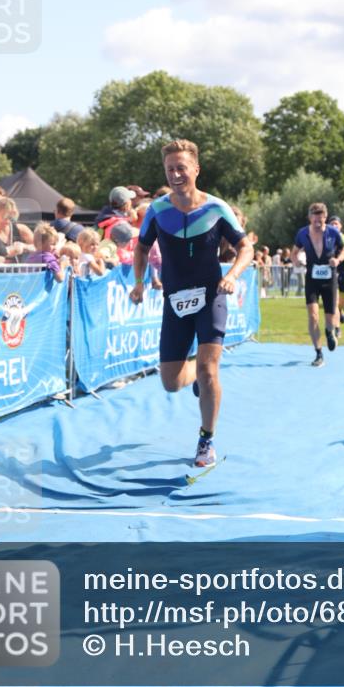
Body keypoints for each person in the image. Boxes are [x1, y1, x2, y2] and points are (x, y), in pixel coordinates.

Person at [130, 139, 253, 468]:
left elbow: (246, 247)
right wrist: (139, 282)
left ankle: (206, 439)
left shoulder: (216, 208)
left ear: (196, 169)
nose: (175, 174)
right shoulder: (157, 211)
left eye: (181, 168)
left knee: (209, 369)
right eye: (169, 169)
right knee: (170, 383)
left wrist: (233, 276)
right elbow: (141, 248)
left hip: (212, 296)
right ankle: (196, 376)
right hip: (175, 301)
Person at [291, 203, 344, 367]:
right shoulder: (302, 234)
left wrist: (338, 259)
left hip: (330, 280)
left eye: (321, 215)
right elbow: (294, 252)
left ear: (325, 216)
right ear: (310, 217)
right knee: (313, 315)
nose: (318, 218)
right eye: (315, 215)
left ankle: (330, 331)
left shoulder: (333, 232)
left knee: (330, 317)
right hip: (312, 280)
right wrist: (297, 262)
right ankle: (318, 353)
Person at [0, 197, 33, 262]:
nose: (7, 221)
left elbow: (41, 247)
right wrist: (8, 253)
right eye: (4, 217)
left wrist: (25, 246)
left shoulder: (21, 229)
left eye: (11, 218)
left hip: (20, 271)